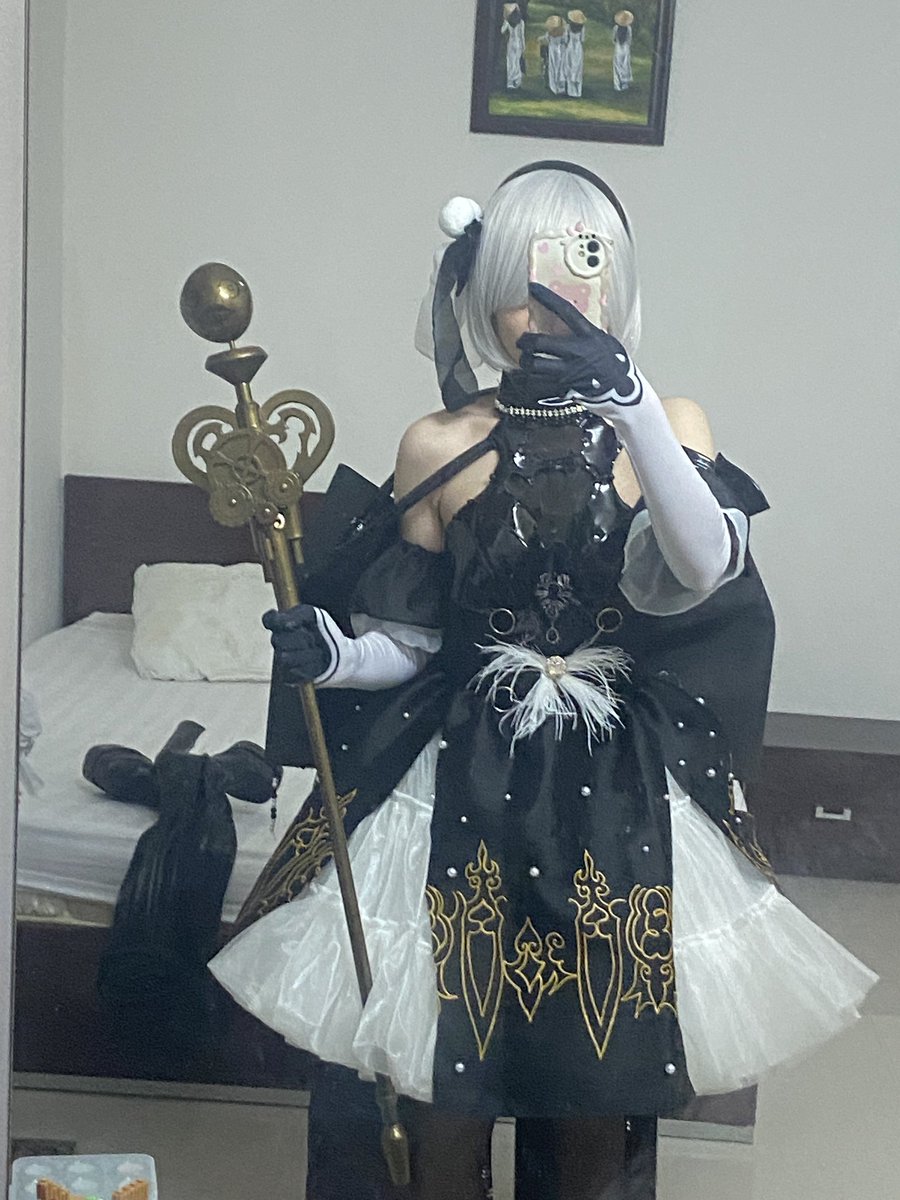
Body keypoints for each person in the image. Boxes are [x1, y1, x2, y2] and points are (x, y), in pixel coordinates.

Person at [209, 162, 878, 1200]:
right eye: (533, 271)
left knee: (595, 1094)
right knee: (444, 1082)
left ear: (618, 279)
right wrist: (336, 657)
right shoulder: (436, 443)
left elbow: (704, 562)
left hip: (616, 800)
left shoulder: (670, 423)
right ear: (486, 290)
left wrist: (632, 405)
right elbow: (417, 643)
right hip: (461, 786)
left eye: (587, 262)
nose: (562, 294)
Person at [538, 15, 569, 96]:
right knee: (557, 69)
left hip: (557, 52)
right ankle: (558, 87)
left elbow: (546, 40)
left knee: (558, 69)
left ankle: (557, 87)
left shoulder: (558, 34)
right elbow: (565, 41)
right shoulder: (555, 34)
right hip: (557, 52)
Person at [501, 4, 526, 91]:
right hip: (518, 44)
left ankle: (510, 83)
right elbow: (522, 36)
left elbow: (502, 31)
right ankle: (517, 82)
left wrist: (504, 21)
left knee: (510, 63)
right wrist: (523, 47)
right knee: (517, 63)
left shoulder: (508, 22)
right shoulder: (521, 22)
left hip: (511, 43)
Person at [565, 10, 587, 98]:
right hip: (578, 48)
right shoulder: (582, 28)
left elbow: (566, 39)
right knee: (578, 68)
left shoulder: (568, 27)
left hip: (570, 48)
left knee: (570, 67)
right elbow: (582, 39)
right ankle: (578, 91)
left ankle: (571, 91)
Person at [612, 10, 634, 93]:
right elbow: (629, 40)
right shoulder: (629, 28)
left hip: (618, 48)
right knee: (625, 65)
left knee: (617, 66)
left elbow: (613, 39)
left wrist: (617, 43)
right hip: (626, 48)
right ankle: (624, 84)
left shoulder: (615, 28)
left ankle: (617, 85)